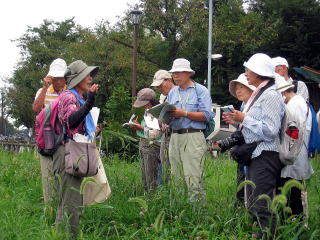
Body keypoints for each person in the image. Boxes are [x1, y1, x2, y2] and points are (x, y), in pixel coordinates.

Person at [224, 53, 285, 238]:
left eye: (248, 70)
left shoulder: (271, 96)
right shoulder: (260, 94)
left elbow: (271, 130)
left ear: (258, 72)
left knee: (261, 204)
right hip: (256, 154)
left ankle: (267, 235)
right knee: (252, 202)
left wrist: (245, 118)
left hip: (265, 154)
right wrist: (240, 120)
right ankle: (259, 234)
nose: (246, 73)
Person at [53, 60, 99, 238]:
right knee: (70, 203)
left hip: (74, 151)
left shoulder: (77, 97)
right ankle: (69, 236)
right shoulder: (68, 97)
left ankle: (60, 235)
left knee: (69, 201)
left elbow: (77, 124)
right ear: (77, 78)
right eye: (86, 75)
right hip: (68, 152)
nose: (90, 78)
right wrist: (90, 103)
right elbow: (70, 120)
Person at [167, 58, 213, 201]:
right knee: (176, 175)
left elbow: (207, 115)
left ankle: (197, 213)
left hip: (193, 135)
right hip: (174, 136)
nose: (175, 76)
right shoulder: (173, 92)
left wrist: (185, 113)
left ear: (188, 73)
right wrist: (162, 119)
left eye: (179, 72)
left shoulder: (201, 91)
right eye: (174, 73)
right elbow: (168, 113)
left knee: (193, 176)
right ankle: (180, 212)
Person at [276, 77, 314, 217]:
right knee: (293, 193)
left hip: (293, 157)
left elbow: (294, 131)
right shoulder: (298, 101)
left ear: (283, 93)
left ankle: (296, 224)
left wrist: (287, 154)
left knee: (293, 196)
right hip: (296, 155)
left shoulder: (294, 105)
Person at [32, 58, 67, 205]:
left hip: (63, 140)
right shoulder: (43, 91)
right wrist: (45, 88)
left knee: (62, 175)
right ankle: (49, 209)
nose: (58, 82)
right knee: (47, 176)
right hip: (44, 139)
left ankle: (61, 206)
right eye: (56, 78)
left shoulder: (69, 93)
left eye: (61, 78)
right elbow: (36, 108)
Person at [228, 73, 256, 203]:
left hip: (255, 152)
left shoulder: (257, 105)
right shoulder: (244, 105)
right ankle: (241, 207)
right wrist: (233, 121)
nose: (238, 91)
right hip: (243, 150)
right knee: (241, 181)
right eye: (236, 88)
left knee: (252, 184)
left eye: (241, 87)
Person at [130, 88, 162, 192]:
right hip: (144, 143)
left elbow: (156, 133)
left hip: (153, 146)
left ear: (150, 102)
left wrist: (140, 128)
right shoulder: (147, 111)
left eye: (145, 104)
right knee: (145, 176)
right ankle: (148, 197)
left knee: (151, 177)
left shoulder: (156, 111)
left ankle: (153, 199)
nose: (143, 106)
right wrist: (138, 126)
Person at [150, 70, 175, 177]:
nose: (159, 88)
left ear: (168, 80)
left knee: (174, 167)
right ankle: (166, 190)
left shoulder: (178, 93)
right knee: (165, 165)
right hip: (165, 135)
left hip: (177, 134)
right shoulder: (162, 97)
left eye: (160, 85)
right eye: (157, 87)